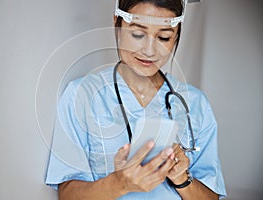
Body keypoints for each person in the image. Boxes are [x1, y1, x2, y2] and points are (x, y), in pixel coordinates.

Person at [45, 0, 227, 199]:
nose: (150, 51)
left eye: (164, 37)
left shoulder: (195, 103)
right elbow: (68, 195)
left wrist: (181, 177)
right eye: (138, 34)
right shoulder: (82, 95)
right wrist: (119, 183)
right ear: (117, 25)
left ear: (176, 36)